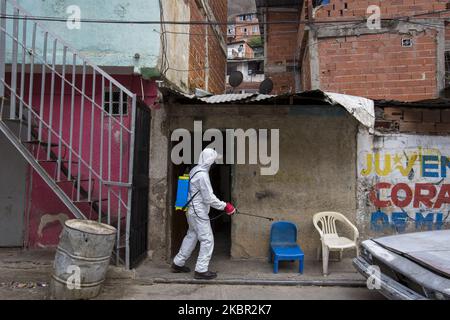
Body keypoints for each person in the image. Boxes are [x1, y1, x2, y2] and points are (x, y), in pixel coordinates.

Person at [172, 148, 236, 280]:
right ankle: (201, 270)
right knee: (207, 240)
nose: (214, 163)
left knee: (192, 235)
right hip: (198, 212)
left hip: (191, 211)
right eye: (214, 160)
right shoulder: (202, 175)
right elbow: (209, 198)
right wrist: (226, 206)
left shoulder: (195, 170)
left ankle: (178, 263)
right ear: (209, 160)